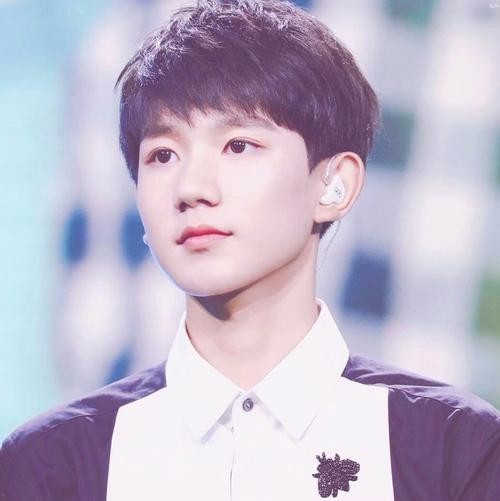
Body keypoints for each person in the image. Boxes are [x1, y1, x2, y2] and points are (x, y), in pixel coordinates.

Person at [1, 0, 499, 499]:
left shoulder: (454, 450)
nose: (191, 187)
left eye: (238, 146)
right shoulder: (52, 463)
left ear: (334, 185)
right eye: (163, 155)